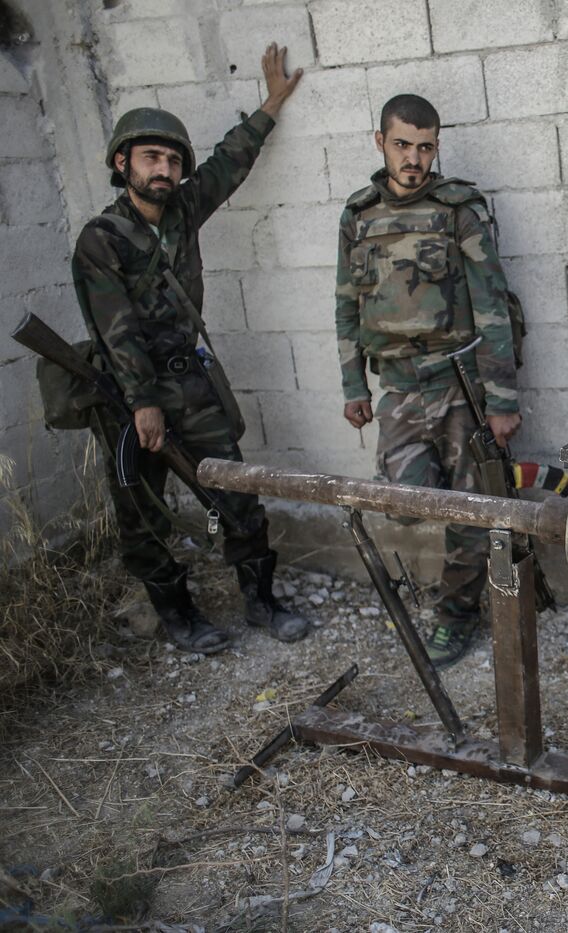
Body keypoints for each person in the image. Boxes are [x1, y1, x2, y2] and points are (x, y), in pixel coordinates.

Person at [72, 44, 309, 654]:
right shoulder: (100, 240)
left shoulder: (180, 213)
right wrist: (143, 404)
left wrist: (272, 103)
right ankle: (178, 617)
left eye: (174, 160)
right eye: (152, 156)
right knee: (143, 508)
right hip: (132, 395)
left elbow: (231, 161)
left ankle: (261, 600)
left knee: (234, 487)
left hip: (190, 383)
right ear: (122, 162)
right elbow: (115, 327)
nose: (166, 169)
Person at [334, 94, 520, 670]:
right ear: (380, 142)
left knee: (470, 507)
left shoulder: (459, 208)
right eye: (402, 145)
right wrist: (353, 386)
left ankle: (457, 613)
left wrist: (502, 398)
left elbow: (492, 303)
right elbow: (345, 303)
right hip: (397, 386)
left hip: (459, 383)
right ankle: (463, 592)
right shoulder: (358, 214)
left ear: (436, 146)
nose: (414, 158)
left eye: (425, 146)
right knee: (406, 503)